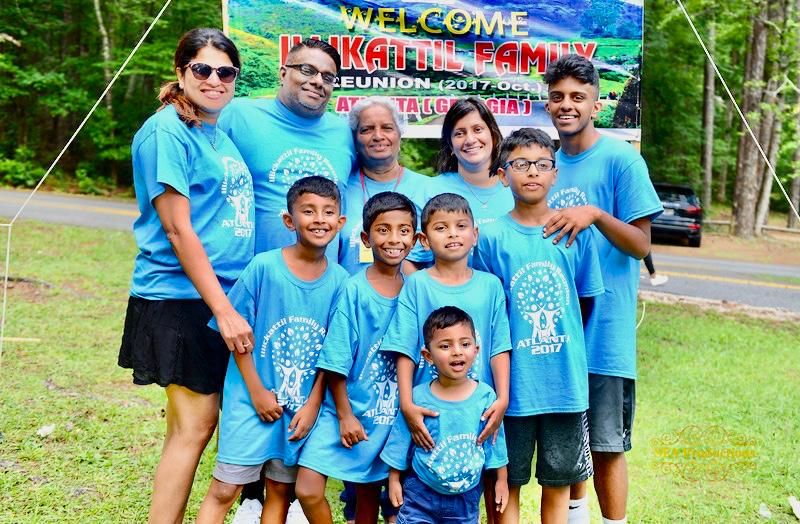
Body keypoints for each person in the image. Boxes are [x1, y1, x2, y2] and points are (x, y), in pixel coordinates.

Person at [116, 28, 254, 524]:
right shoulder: (166, 131)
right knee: (193, 428)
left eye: (226, 72)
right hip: (182, 298)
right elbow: (177, 229)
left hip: (215, 295)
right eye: (203, 69)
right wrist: (224, 310)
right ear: (180, 71)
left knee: (190, 427)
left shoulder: (213, 131)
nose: (215, 79)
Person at [542, 55, 663, 524]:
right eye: (557, 97)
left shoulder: (621, 159)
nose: (566, 105)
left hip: (605, 330)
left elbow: (640, 244)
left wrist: (594, 214)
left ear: (596, 104)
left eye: (578, 97)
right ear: (547, 103)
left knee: (606, 444)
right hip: (555, 331)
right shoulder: (544, 165)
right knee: (567, 446)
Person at [195, 177, 349, 524]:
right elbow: (237, 338)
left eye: (328, 212)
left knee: (280, 489)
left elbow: (334, 353)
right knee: (224, 489)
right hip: (250, 401)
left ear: (340, 222)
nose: (319, 219)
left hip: (298, 411)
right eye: (308, 211)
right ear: (289, 220)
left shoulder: (341, 282)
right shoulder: (264, 267)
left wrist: (312, 405)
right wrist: (257, 393)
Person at [474, 128, 604, 524]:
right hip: (510, 389)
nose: (532, 172)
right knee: (504, 483)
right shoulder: (490, 238)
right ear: (502, 175)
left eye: (542, 164)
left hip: (564, 385)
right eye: (520, 164)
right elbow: (487, 312)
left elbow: (585, 302)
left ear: (555, 174)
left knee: (559, 483)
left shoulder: (575, 233)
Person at [379, 193, 511, 521]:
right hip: (428, 407)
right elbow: (405, 348)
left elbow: (499, 347)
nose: (452, 233)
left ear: (474, 234)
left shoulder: (490, 286)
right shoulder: (417, 284)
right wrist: (407, 403)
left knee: (468, 486)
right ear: (424, 240)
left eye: (460, 226)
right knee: (422, 474)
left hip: (474, 408)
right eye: (441, 227)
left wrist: (503, 398)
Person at [295, 192, 417, 524]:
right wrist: (346, 415)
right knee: (307, 488)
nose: (394, 239)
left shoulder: (415, 291)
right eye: (383, 230)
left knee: (368, 496)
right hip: (344, 410)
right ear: (366, 238)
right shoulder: (354, 289)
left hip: (389, 418)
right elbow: (336, 359)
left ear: (414, 239)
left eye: (404, 230)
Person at [218, 38, 355, 257]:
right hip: (251, 272)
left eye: (328, 77)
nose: (318, 81)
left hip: (326, 275)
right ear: (283, 74)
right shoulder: (235, 116)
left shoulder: (345, 133)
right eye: (307, 70)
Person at [380, 306, 509, 523]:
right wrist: (393, 479)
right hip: (421, 493)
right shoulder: (418, 397)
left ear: (476, 350)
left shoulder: (486, 397)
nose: (457, 351)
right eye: (445, 346)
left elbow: (495, 441)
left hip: (466, 499)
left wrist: (502, 479)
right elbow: (400, 441)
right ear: (428, 356)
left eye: (465, 344)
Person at [339, 96, 430, 276]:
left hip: (410, 292)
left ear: (400, 135)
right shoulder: (341, 189)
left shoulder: (427, 189)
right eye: (367, 129)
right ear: (355, 139)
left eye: (387, 128)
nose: (378, 136)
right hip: (350, 292)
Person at [429, 97, 514, 228]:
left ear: (493, 135)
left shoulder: (518, 187)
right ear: (450, 145)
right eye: (459, 133)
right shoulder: (430, 190)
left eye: (478, 129)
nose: (470, 140)